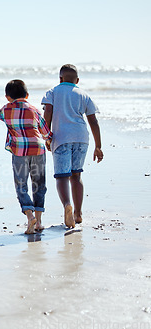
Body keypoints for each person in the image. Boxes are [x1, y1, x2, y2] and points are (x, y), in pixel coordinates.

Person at [41, 64, 103, 228]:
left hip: (61, 138)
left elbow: (47, 112)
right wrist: (98, 146)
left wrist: (46, 136)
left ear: (60, 79)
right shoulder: (83, 94)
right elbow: (93, 121)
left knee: (62, 176)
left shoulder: (52, 92)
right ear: (77, 80)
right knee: (76, 175)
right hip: (82, 138)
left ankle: (67, 205)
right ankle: (78, 213)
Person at [0, 80, 53, 234]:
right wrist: (48, 140)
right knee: (39, 184)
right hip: (38, 149)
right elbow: (45, 131)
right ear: (27, 95)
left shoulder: (6, 110)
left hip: (19, 152)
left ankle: (29, 215)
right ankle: (38, 222)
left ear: (7, 97)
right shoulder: (34, 110)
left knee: (21, 185)